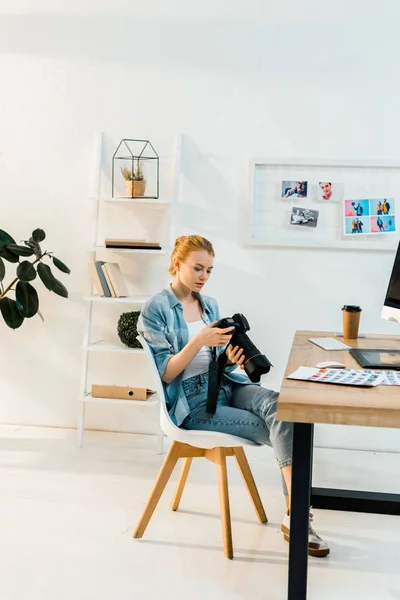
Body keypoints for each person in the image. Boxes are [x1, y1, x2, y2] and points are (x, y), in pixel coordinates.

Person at [138, 234, 329, 557]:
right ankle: (297, 518)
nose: (204, 277)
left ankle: (294, 515)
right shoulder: (156, 308)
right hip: (192, 402)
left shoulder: (208, 304)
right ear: (177, 263)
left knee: (282, 406)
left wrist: (230, 356)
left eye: (209, 270)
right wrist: (199, 340)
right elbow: (167, 372)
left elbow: (215, 359)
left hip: (224, 382)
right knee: (286, 427)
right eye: (198, 268)